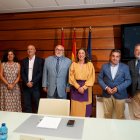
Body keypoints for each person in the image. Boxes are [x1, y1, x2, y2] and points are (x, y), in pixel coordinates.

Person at [98, 49, 131, 119]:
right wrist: (106, 87)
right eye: (113, 56)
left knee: (120, 116)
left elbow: (128, 80)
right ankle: (107, 130)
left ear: (119, 58)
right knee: (107, 116)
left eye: (117, 56)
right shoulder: (104, 66)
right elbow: (99, 79)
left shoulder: (125, 67)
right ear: (110, 57)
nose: (115, 58)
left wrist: (118, 88)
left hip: (120, 95)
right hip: (107, 95)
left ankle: (120, 130)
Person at [69, 48, 95, 117]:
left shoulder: (90, 64)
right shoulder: (73, 64)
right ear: (77, 55)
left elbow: (91, 78)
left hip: (86, 89)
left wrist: (83, 88)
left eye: (82, 53)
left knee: (86, 110)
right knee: (75, 109)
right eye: (79, 53)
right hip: (75, 88)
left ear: (85, 55)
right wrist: (78, 87)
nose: (81, 55)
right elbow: (71, 77)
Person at [21, 45, 43, 113]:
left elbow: (40, 73)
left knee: (37, 105)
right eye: (28, 49)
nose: (29, 50)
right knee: (27, 105)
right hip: (26, 86)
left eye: (31, 49)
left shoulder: (40, 60)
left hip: (36, 87)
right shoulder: (24, 61)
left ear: (35, 50)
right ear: (27, 51)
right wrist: (27, 82)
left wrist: (32, 82)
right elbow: (22, 73)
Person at [128, 43, 140, 119]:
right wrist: (129, 92)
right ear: (134, 52)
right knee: (136, 115)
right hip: (134, 93)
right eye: (137, 50)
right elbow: (128, 79)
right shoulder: (130, 63)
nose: (138, 52)